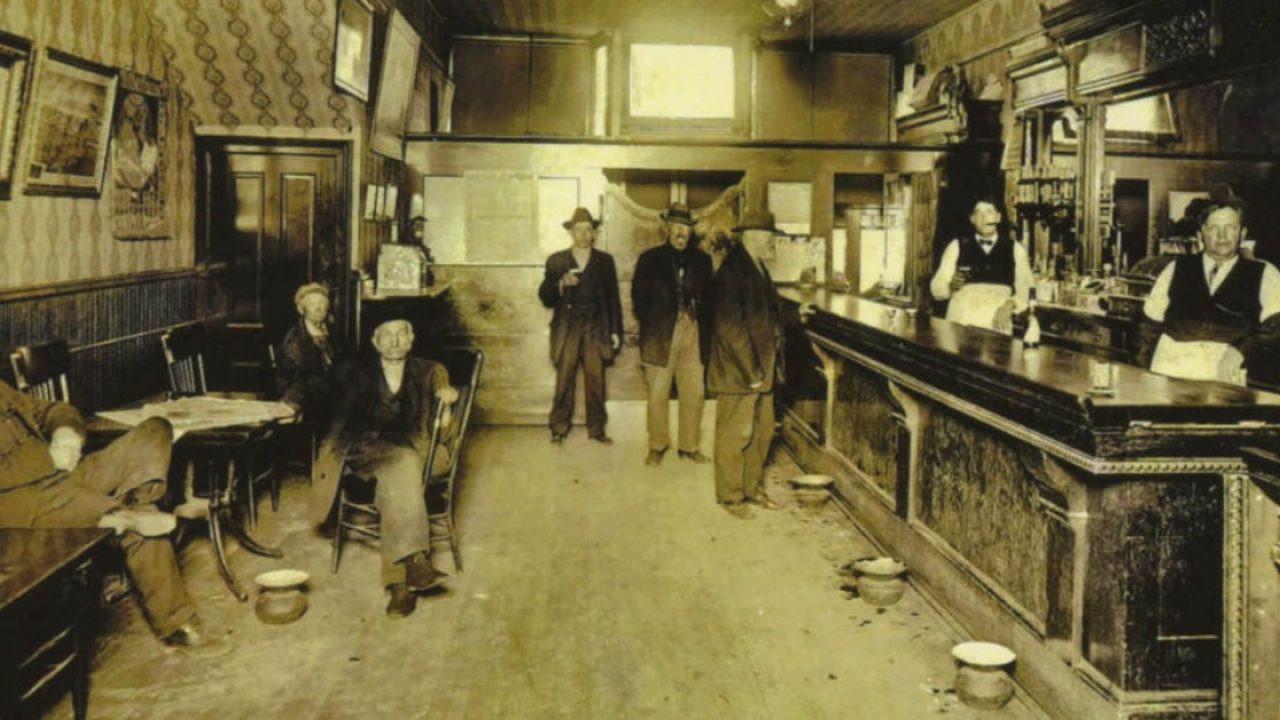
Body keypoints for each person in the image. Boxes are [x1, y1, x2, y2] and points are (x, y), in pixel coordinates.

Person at [0, 379, 221, 653]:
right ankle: (176, 622)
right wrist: (50, 455)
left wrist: (65, 435)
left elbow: (51, 410)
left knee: (155, 429)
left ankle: (128, 505)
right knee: (139, 526)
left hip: (65, 475)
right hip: (25, 502)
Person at [310, 318, 457, 618]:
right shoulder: (357, 374)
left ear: (411, 339)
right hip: (370, 451)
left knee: (399, 474)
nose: (394, 341)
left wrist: (447, 408)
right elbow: (339, 423)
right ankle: (415, 563)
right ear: (375, 342)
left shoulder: (432, 371)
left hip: (422, 451)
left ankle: (400, 584)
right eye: (386, 335)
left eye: (401, 333)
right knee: (400, 470)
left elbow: (444, 435)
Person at [1138, 201, 1280, 385]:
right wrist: (1142, 374)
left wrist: (1242, 350)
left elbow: (1275, 325)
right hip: (1172, 369)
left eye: (1230, 227)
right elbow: (1149, 326)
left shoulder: (1264, 273)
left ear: (1242, 233)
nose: (1222, 235)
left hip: (1226, 373)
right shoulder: (1176, 268)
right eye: (1213, 228)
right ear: (1200, 235)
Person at [708, 209, 786, 519]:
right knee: (735, 435)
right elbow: (730, 329)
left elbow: (764, 313)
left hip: (761, 368)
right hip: (740, 371)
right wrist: (752, 373)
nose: (772, 243)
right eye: (769, 237)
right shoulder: (732, 271)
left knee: (762, 432)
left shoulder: (757, 266)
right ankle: (731, 497)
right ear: (753, 236)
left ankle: (751, 488)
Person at [632, 202, 715, 466]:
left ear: (691, 231)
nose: (682, 232)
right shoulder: (649, 259)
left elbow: (710, 302)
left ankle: (689, 446)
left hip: (693, 332)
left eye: (686, 227)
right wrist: (657, 323)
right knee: (658, 393)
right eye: (677, 226)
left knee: (695, 392)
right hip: (660, 334)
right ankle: (658, 444)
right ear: (667, 228)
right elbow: (638, 300)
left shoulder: (702, 260)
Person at [538, 207, 623, 445]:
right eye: (579, 230)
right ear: (571, 232)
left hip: (596, 329)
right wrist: (560, 284)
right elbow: (545, 296)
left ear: (594, 233)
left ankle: (597, 429)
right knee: (564, 379)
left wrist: (615, 330)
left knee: (596, 380)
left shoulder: (605, 261)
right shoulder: (557, 261)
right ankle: (558, 428)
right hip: (568, 330)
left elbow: (613, 299)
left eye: (588, 230)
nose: (584, 234)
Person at [929, 198, 1033, 333]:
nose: (984, 217)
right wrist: (955, 283)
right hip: (961, 321)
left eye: (989, 212)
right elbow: (936, 290)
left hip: (997, 324)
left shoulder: (1015, 249)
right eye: (978, 213)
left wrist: (1009, 305)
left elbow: (1027, 290)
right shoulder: (956, 246)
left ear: (998, 217)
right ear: (972, 219)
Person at [275, 282, 343, 421]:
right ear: (301, 309)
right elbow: (300, 382)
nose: (318, 309)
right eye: (312, 304)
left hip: (332, 400)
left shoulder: (332, 331)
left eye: (322, 304)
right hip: (307, 404)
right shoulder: (294, 342)